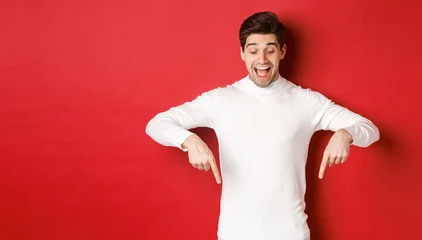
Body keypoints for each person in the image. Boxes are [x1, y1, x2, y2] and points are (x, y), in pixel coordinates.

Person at [144, 11, 380, 240]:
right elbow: (157, 124)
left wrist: (345, 134)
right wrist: (189, 140)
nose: (262, 60)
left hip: (292, 234)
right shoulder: (219, 100)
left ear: (282, 52)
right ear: (242, 54)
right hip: (234, 234)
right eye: (253, 50)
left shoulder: (307, 101)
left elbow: (370, 129)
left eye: (270, 50)